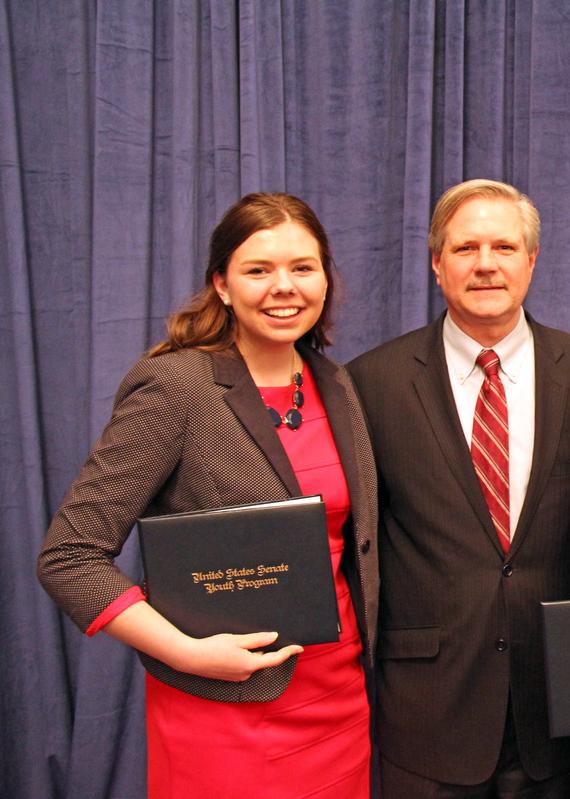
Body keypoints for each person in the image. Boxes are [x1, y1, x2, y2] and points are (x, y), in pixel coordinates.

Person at [38, 193, 379, 798]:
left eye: (303, 267)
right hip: (227, 704)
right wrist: (189, 653)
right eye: (258, 270)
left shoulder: (336, 382)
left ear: (326, 277)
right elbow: (70, 557)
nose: (285, 287)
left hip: (342, 698)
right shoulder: (177, 386)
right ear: (221, 284)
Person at [347, 179, 570, 796]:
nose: (487, 264)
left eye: (504, 247)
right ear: (437, 264)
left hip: (556, 708)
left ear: (532, 260)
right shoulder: (371, 384)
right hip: (425, 709)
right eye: (466, 249)